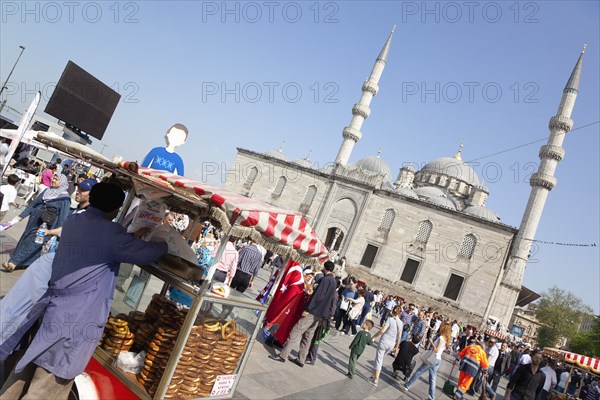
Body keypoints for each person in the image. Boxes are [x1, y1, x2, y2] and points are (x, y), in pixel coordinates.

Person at [0, 182, 168, 399]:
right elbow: (145, 254)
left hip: (54, 310)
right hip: (77, 320)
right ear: (116, 209)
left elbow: (105, 244)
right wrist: (164, 243)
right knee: (49, 382)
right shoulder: (111, 234)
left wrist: (130, 237)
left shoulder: (75, 220)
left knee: (27, 368)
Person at [0, 178, 97, 346]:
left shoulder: (76, 208)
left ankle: (15, 262)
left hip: (57, 260)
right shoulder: (57, 198)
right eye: (79, 187)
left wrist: (51, 232)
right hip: (39, 232)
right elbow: (35, 208)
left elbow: (64, 226)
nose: (79, 191)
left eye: (84, 189)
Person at [269, 261, 337, 367]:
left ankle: (283, 355)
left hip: (313, 311)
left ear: (324, 267)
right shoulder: (333, 282)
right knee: (308, 336)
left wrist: (308, 309)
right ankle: (301, 359)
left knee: (296, 331)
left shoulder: (325, 280)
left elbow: (317, 297)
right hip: (320, 314)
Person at [2, 174, 71, 272]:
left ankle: (13, 263)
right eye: (53, 178)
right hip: (34, 220)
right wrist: (21, 216)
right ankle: (25, 263)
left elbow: (62, 217)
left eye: (56, 179)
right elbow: (34, 204)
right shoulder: (47, 191)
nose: (53, 179)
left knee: (34, 242)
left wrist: (55, 232)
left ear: (62, 182)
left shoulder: (65, 199)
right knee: (26, 238)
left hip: (47, 225)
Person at [403, 321, 452, 399]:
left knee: (419, 371)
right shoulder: (446, 339)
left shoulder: (441, 338)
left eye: (442, 326)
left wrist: (431, 342)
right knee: (432, 379)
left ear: (444, 329)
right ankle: (431, 397)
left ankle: (407, 385)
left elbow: (436, 350)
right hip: (438, 359)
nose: (441, 327)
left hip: (433, 358)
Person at [369, 305, 403, 387]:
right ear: (400, 313)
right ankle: (373, 375)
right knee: (380, 359)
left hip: (384, 341)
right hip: (391, 344)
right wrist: (396, 347)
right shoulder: (401, 323)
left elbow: (382, 330)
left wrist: (374, 336)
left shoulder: (390, 319)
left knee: (379, 360)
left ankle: (376, 379)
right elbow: (399, 337)